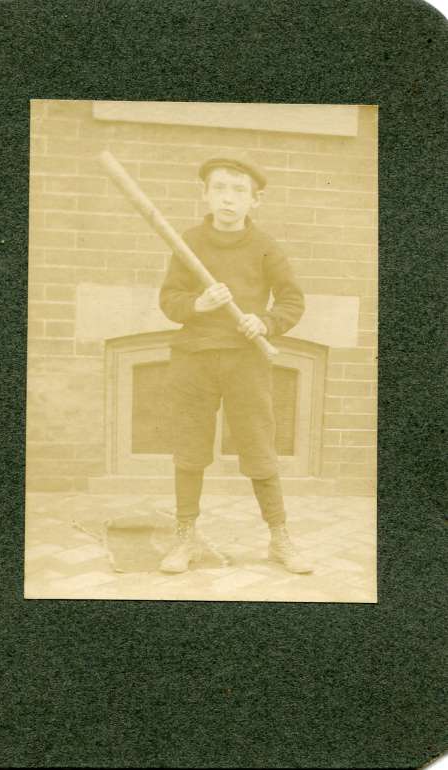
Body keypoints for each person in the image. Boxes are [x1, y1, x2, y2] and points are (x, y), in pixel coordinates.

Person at [158, 152, 313, 575]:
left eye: (239, 190)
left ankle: (280, 539)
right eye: (220, 188)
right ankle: (185, 538)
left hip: (247, 360)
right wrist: (200, 303)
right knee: (190, 448)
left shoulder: (266, 247)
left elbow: (292, 300)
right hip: (194, 359)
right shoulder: (187, 242)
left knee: (260, 447)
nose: (229, 198)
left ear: (254, 201)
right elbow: (169, 300)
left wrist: (264, 322)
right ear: (205, 195)